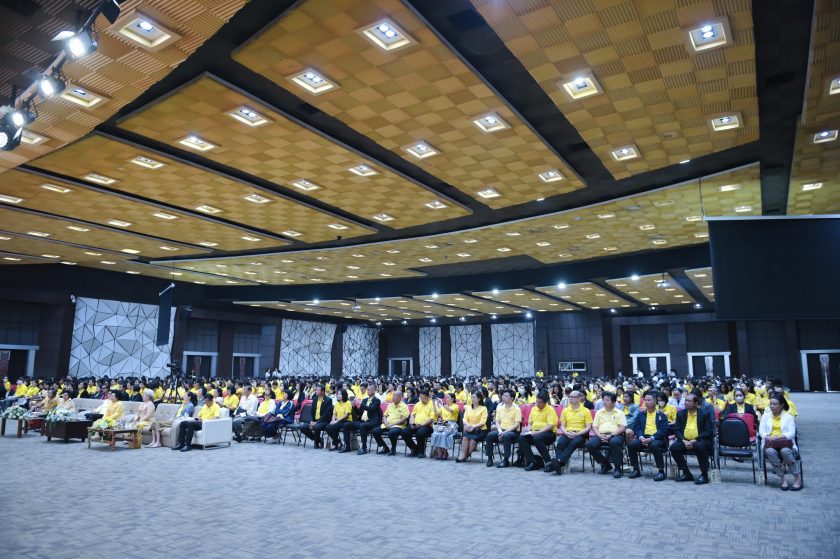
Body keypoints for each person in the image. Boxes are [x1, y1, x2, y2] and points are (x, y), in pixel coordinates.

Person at [759, 394, 802, 491]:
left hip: (785, 443)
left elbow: (792, 433)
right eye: (771, 404)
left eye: (775, 404)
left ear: (781, 405)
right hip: (770, 443)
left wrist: (778, 437)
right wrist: (768, 437)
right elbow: (761, 432)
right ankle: (783, 479)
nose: (772, 406)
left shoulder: (788, 417)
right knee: (769, 451)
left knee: (785, 451)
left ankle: (797, 478)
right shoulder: (765, 416)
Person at [670, 393, 713, 484]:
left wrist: (695, 440)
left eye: (689, 401)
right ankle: (686, 473)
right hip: (684, 440)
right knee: (674, 447)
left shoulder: (704, 413)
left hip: (700, 440)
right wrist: (683, 440)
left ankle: (704, 475)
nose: (686, 403)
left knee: (699, 446)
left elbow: (708, 431)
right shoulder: (681, 413)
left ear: (696, 403)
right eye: (685, 401)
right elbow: (677, 430)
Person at [627, 392, 669, 481]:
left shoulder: (661, 415)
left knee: (654, 445)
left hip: (657, 439)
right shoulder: (641, 414)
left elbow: (663, 430)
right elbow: (637, 427)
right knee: (631, 445)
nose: (646, 402)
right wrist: (641, 437)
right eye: (645, 400)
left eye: (649, 400)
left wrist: (651, 438)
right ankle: (636, 469)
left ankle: (661, 472)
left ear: (655, 402)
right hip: (643, 438)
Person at [548, 390, 592, 475]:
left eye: (573, 397)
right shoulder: (565, 410)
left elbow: (588, 427)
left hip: (580, 434)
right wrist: (566, 433)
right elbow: (562, 426)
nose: (570, 399)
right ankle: (559, 465)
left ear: (579, 398)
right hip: (567, 433)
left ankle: (559, 463)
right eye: (570, 397)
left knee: (573, 443)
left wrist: (576, 434)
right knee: (560, 443)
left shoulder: (586, 411)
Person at [587, 391, 626, 478]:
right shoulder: (599, 412)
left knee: (614, 442)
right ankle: (606, 464)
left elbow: (622, 428)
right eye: (603, 400)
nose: (604, 402)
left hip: (615, 435)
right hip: (601, 434)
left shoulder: (619, 413)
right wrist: (599, 435)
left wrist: (611, 435)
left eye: (607, 400)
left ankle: (617, 468)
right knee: (590, 445)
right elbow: (595, 426)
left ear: (613, 402)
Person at [517, 391, 557, 471]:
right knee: (521, 438)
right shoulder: (534, 409)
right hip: (534, 432)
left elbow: (550, 426)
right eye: (537, 401)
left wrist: (538, 432)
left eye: (540, 402)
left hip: (548, 433)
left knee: (537, 438)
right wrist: (527, 430)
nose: (538, 404)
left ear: (545, 402)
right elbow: (530, 423)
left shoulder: (550, 410)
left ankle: (548, 463)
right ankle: (532, 461)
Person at [485, 389, 521, 468]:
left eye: (506, 396)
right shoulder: (500, 408)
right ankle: (490, 458)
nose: (503, 397)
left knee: (506, 436)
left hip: (513, 431)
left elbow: (517, 424)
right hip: (501, 430)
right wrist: (500, 430)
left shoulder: (517, 409)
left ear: (512, 398)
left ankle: (506, 460)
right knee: (489, 435)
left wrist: (505, 432)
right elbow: (497, 422)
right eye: (503, 395)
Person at [344, 384, 382, 455]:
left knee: (363, 426)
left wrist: (360, 403)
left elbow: (371, 409)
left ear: (374, 390)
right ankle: (347, 446)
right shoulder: (365, 400)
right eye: (367, 389)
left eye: (369, 389)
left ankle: (364, 448)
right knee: (346, 424)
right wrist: (354, 406)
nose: (368, 390)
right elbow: (359, 413)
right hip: (362, 421)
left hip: (372, 422)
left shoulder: (377, 400)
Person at [372, 390, 409, 455]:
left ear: (399, 397)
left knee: (392, 433)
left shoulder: (404, 406)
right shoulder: (390, 405)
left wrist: (392, 424)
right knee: (375, 431)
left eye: (394, 395)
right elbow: (384, 416)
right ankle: (385, 447)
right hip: (388, 425)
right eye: (393, 395)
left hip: (398, 426)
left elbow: (403, 419)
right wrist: (386, 423)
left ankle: (393, 449)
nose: (392, 397)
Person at [455, 390, 487, 463]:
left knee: (473, 441)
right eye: (471, 397)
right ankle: (463, 456)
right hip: (469, 428)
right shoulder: (468, 408)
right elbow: (464, 419)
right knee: (465, 438)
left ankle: (465, 457)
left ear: (479, 399)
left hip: (480, 430)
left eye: (474, 397)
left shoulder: (483, 408)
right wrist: (468, 425)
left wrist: (473, 426)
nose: (472, 399)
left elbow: (483, 422)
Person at [403, 389, 436, 457]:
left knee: (419, 433)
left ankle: (421, 452)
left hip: (427, 426)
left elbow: (432, 419)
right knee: (404, 432)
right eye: (420, 398)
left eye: (424, 398)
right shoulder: (418, 404)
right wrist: (412, 423)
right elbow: (412, 415)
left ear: (428, 396)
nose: (422, 400)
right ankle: (415, 449)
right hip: (416, 425)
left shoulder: (432, 404)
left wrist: (421, 425)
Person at [301, 385, 333, 449]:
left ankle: (316, 443)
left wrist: (317, 422)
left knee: (317, 427)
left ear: (322, 391)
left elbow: (326, 414)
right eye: (316, 390)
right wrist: (311, 420)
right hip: (314, 420)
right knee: (303, 427)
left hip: (324, 421)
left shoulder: (328, 400)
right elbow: (311, 411)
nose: (316, 391)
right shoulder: (315, 399)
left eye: (318, 390)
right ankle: (319, 440)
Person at [430, 392, 459, 461]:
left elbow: (451, 410)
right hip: (443, 425)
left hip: (452, 425)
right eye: (446, 397)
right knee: (435, 434)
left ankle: (445, 452)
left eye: (448, 397)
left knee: (444, 434)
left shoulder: (455, 406)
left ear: (452, 399)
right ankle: (439, 452)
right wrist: (433, 403)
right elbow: (436, 413)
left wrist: (442, 403)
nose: (446, 399)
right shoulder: (443, 406)